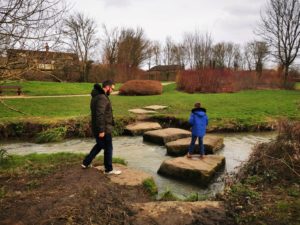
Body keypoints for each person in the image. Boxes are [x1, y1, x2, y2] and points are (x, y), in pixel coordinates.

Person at [82, 80, 121, 175]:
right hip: (104, 128)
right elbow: (100, 115)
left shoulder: (96, 96)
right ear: (107, 87)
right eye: (112, 88)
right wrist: (102, 130)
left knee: (99, 145)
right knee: (108, 148)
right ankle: (108, 169)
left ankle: (86, 162)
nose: (112, 91)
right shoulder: (102, 98)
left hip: (98, 127)